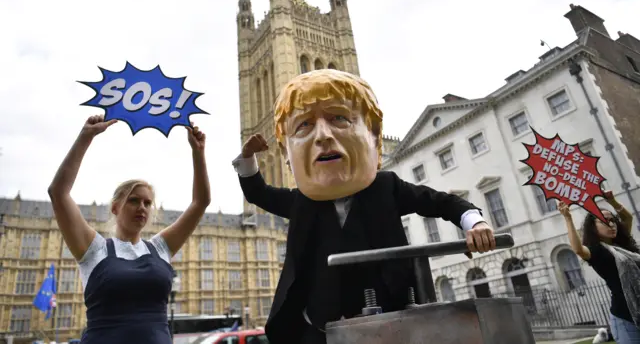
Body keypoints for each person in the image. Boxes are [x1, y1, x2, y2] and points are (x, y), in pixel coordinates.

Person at [232, 69, 497, 344]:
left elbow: (440, 202)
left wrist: (474, 222)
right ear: (286, 152)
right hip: (319, 330)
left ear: (373, 134)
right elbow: (258, 194)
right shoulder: (300, 201)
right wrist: (248, 157)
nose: (322, 135)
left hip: (390, 324)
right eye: (304, 125)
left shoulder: (386, 187)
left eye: (339, 118)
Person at [48, 115, 211, 344]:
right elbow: (58, 192)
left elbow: (200, 202)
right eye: (134, 201)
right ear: (115, 207)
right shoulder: (95, 250)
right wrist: (86, 136)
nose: (142, 208)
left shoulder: (159, 248)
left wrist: (198, 152)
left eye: (147, 203)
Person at [558, 192, 640, 343]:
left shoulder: (622, 245)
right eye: (604, 221)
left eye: (612, 220)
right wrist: (568, 217)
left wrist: (612, 201)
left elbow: (628, 218)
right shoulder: (597, 251)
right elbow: (578, 249)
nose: (611, 224)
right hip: (626, 318)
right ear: (593, 228)